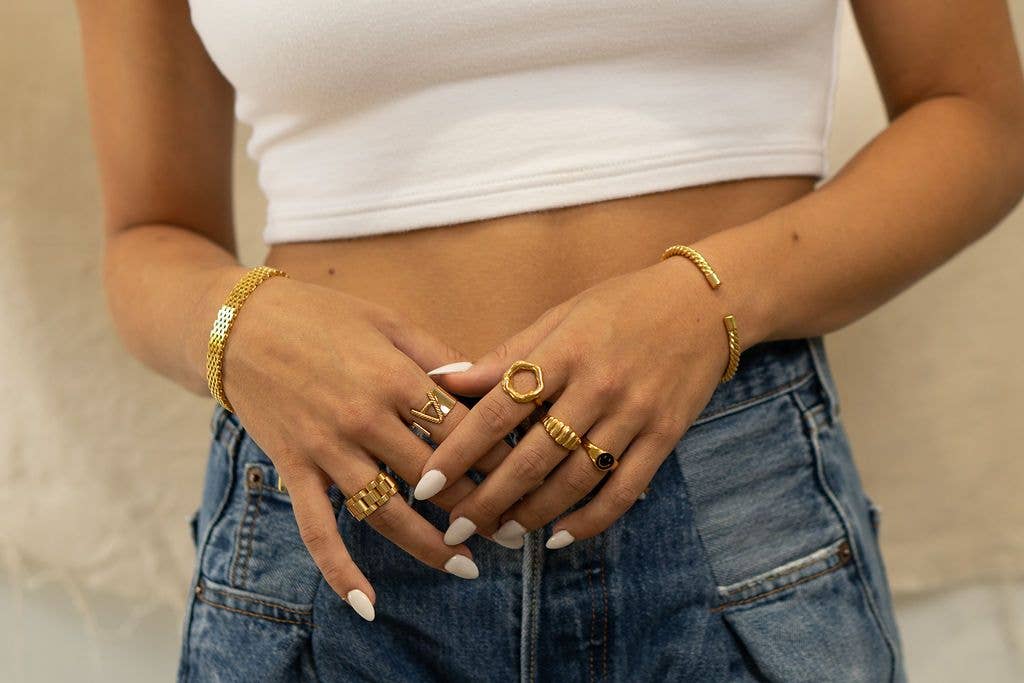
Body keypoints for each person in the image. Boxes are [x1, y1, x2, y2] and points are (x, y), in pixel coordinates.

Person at [74, 1, 1024, 681]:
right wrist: (243, 330)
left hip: (724, 484)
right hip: (334, 513)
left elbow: (978, 116)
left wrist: (703, 305)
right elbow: (148, 237)